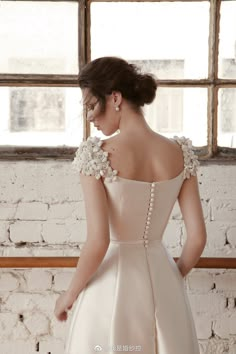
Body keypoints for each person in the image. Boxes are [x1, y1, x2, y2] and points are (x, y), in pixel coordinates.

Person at [54, 56, 207, 354]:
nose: (89, 117)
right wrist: (175, 274)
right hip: (164, 282)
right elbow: (198, 238)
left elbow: (98, 241)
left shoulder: (95, 154)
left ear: (115, 98)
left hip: (112, 285)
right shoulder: (180, 153)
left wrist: (68, 296)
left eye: (90, 105)